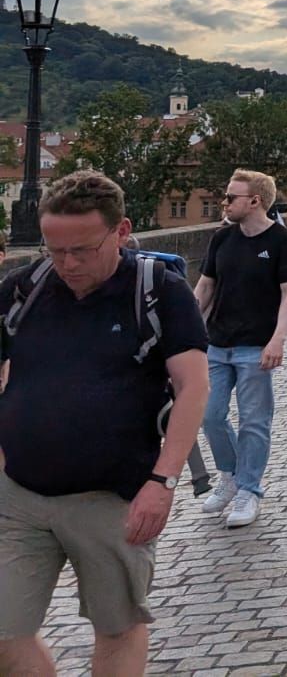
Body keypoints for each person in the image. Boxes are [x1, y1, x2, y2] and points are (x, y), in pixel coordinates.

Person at [0, 171, 209, 676]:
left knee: (116, 628)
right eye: (55, 250)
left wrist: (163, 481)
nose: (67, 263)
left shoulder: (158, 292)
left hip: (114, 498)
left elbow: (193, 388)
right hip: (19, 493)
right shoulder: (22, 290)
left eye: (82, 250)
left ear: (121, 231)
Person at [193, 169, 287, 529]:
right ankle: (230, 475)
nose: (224, 203)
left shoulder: (283, 241)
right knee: (210, 415)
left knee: (254, 421)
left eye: (231, 197)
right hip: (217, 343)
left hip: (255, 345)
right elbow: (205, 287)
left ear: (255, 201)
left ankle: (249, 490)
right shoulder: (222, 238)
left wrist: (278, 339)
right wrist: (187, 330)